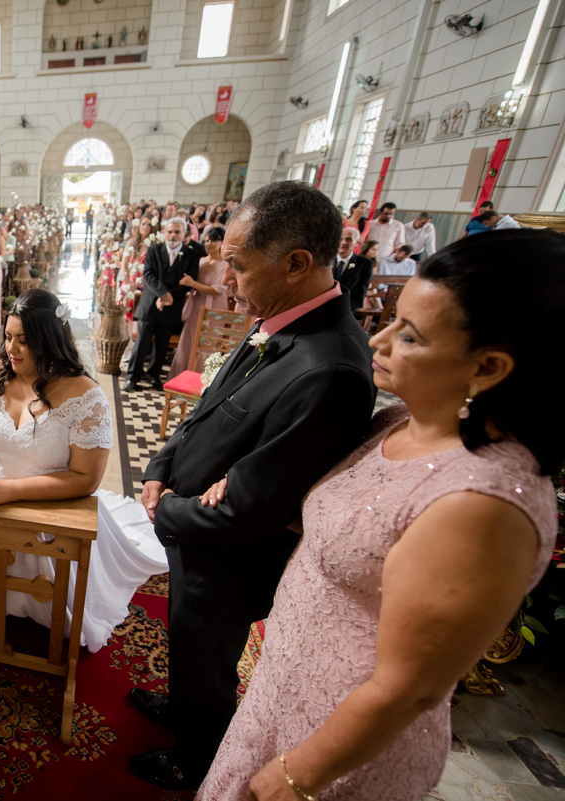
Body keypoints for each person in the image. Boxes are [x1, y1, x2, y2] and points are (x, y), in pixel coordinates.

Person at [198, 230, 562, 800]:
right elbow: (354, 522)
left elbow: (410, 688)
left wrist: (300, 776)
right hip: (284, 685)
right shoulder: (396, 421)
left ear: (488, 367)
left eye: (410, 335)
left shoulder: (481, 504)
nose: (379, 341)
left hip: (343, 738)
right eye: (391, 319)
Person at [128, 182, 376, 791]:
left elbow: (252, 509)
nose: (226, 278)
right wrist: (162, 466)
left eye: (238, 264)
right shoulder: (275, 319)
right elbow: (209, 411)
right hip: (195, 525)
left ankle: (198, 752)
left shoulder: (330, 369)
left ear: (296, 264)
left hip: (232, 557)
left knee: (210, 653)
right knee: (188, 640)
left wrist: (167, 512)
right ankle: (185, 707)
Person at [0, 288, 168, 649]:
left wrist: (8, 490)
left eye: (24, 340)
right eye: (8, 337)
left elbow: (85, 479)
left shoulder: (84, 395)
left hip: (48, 506)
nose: (11, 349)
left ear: (50, 340)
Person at [122, 217, 199, 391]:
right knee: (142, 341)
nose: (173, 235)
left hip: (172, 305)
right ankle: (132, 376)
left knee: (162, 343)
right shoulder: (154, 250)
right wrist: (162, 294)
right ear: (164, 233)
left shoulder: (191, 255)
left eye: (177, 232)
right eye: (169, 231)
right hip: (150, 303)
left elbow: (189, 279)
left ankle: (153, 375)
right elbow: (148, 275)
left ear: (184, 234)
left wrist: (169, 297)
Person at [169, 226, 230, 376]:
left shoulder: (225, 264)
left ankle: (203, 378)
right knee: (190, 339)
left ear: (222, 242)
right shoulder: (201, 260)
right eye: (207, 240)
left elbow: (218, 289)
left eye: (213, 240)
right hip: (197, 304)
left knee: (208, 342)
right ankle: (183, 375)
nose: (209, 243)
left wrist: (192, 284)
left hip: (215, 306)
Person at [334, 226, 375, 310]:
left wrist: (345, 311)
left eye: (349, 239)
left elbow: (360, 294)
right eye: (341, 239)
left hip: (347, 309)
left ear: (356, 243)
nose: (343, 242)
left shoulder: (365, 264)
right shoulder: (326, 260)